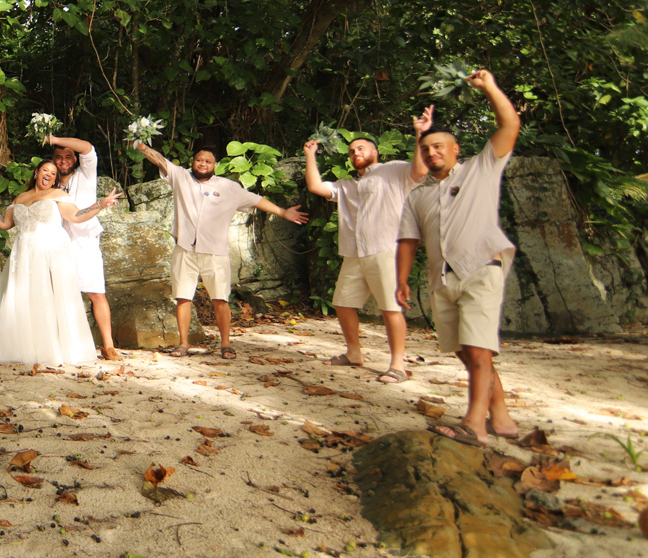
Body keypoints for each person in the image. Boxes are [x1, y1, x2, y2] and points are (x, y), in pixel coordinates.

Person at [396, 70, 521, 448]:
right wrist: (401, 280)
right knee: (468, 352)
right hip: (443, 280)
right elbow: (408, 240)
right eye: (425, 149)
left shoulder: (481, 170)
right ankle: (501, 416)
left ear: (455, 149)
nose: (431, 152)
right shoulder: (417, 196)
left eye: (439, 146)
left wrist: (490, 88)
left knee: (479, 349)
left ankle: (474, 425)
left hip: (481, 268)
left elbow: (510, 125)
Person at [133, 141, 308, 358]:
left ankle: (226, 344)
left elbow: (256, 200)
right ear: (192, 162)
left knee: (220, 299)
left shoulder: (228, 187)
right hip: (184, 248)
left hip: (215, 252)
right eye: (199, 160)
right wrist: (139, 144)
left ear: (215, 165)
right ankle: (183, 344)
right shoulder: (181, 177)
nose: (203, 164)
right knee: (183, 298)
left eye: (208, 161)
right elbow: (159, 159)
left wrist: (283, 212)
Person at [303, 106, 434, 383]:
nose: (355, 153)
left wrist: (420, 133)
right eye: (351, 151)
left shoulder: (393, 171)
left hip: (385, 249)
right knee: (342, 304)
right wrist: (310, 155)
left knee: (390, 308)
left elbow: (420, 171)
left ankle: (397, 365)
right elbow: (316, 187)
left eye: (361, 148)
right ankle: (354, 353)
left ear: (375, 151)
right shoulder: (346, 185)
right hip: (354, 253)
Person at [0, 160, 119, 366]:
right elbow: (5, 223)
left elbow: (76, 216)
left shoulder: (58, 195)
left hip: (51, 251)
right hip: (23, 253)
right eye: (45, 170)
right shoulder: (20, 198)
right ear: (36, 172)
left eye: (53, 173)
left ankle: (54, 348)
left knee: (50, 296)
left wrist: (100, 205)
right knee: (23, 296)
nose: (49, 174)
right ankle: (25, 346)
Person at [46, 133, 122, 361]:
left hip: (86, 242)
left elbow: (88, 147)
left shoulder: (86, 174)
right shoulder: (50, 183)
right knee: (59, 295)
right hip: (58, 243)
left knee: (96, 293)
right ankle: (62, 345)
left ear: (75, 160)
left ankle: (108, 346)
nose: (63, 161)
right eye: (58, 157)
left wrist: (54, 139)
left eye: (68, 156)